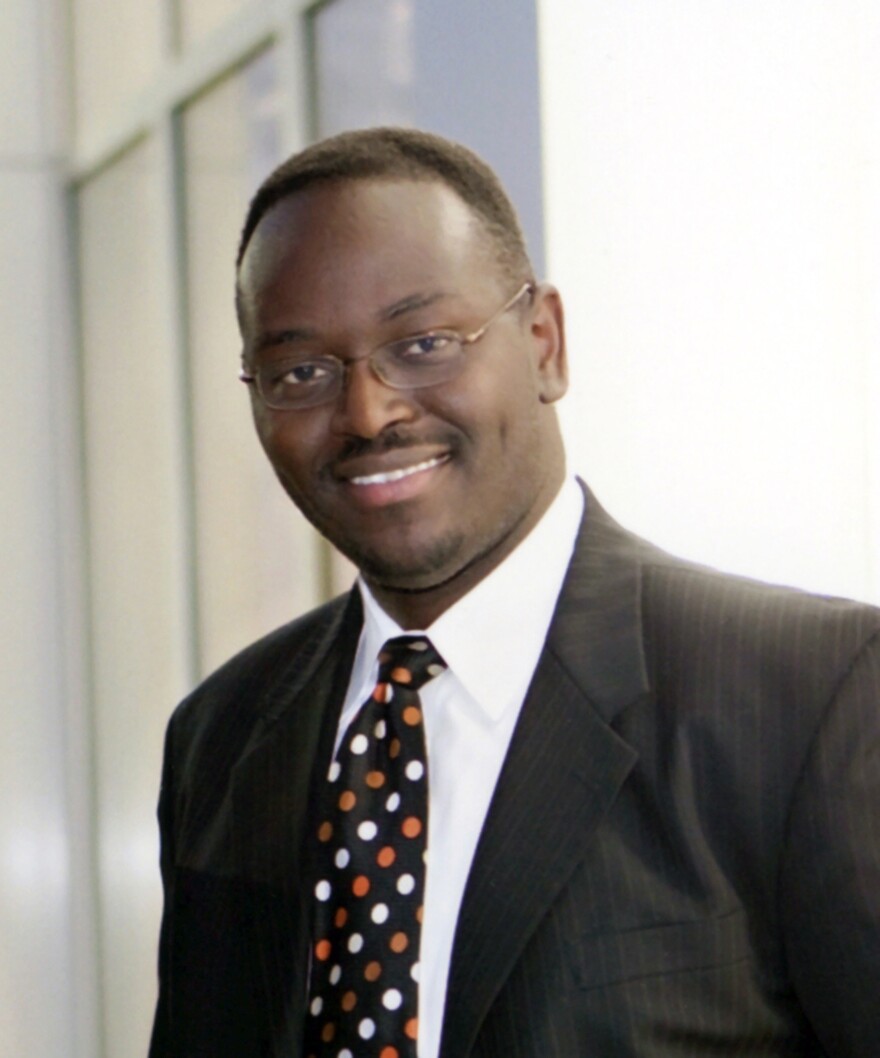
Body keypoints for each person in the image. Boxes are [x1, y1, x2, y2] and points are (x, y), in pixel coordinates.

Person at [149, 127, 880, 1058]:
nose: (369, 412)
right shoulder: (222, 738)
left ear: (544, 343)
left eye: (422, 343)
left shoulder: (809, 698)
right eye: (303, 372)